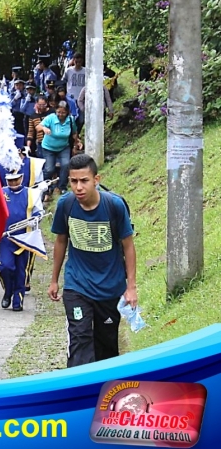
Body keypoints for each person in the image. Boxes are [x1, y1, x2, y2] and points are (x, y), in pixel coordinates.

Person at [48, 153, 137, 367]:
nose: (78, 187)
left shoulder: (114, 206)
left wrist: (131, 287)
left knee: (106, 348)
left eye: (84, 181)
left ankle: (103, 393)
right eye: (73, 181)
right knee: (80, 340)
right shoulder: (66, 204)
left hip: (109, 288)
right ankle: (78, 394)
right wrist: (54, 279)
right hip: (77, 285)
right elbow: (61, 241)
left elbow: (128, 245)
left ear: (96, 180)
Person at [0, 171, 45, 311]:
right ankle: (8, 291)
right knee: (5, 267)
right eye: (10, 181)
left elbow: (38, 211)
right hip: (6, 238)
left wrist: (36, 217)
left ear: (22, 178)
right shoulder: (0, 192)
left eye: (16, 180)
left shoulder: (31, 193)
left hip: (25, 238)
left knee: (21, 271)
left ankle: (18, 300)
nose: (13, 183)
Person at [37, 101, 82, 198]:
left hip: (63, 147)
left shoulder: (70, 119)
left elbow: (74, 133)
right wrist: (44, 128)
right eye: (58, 112)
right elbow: (38, 127)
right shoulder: (51, 118)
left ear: (67, 112)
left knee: (66, 165)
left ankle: (62, 186)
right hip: (48, 147)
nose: (60, 115)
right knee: (49, 169)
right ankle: (45, 188)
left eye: (63, 112)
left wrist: (77, 142)